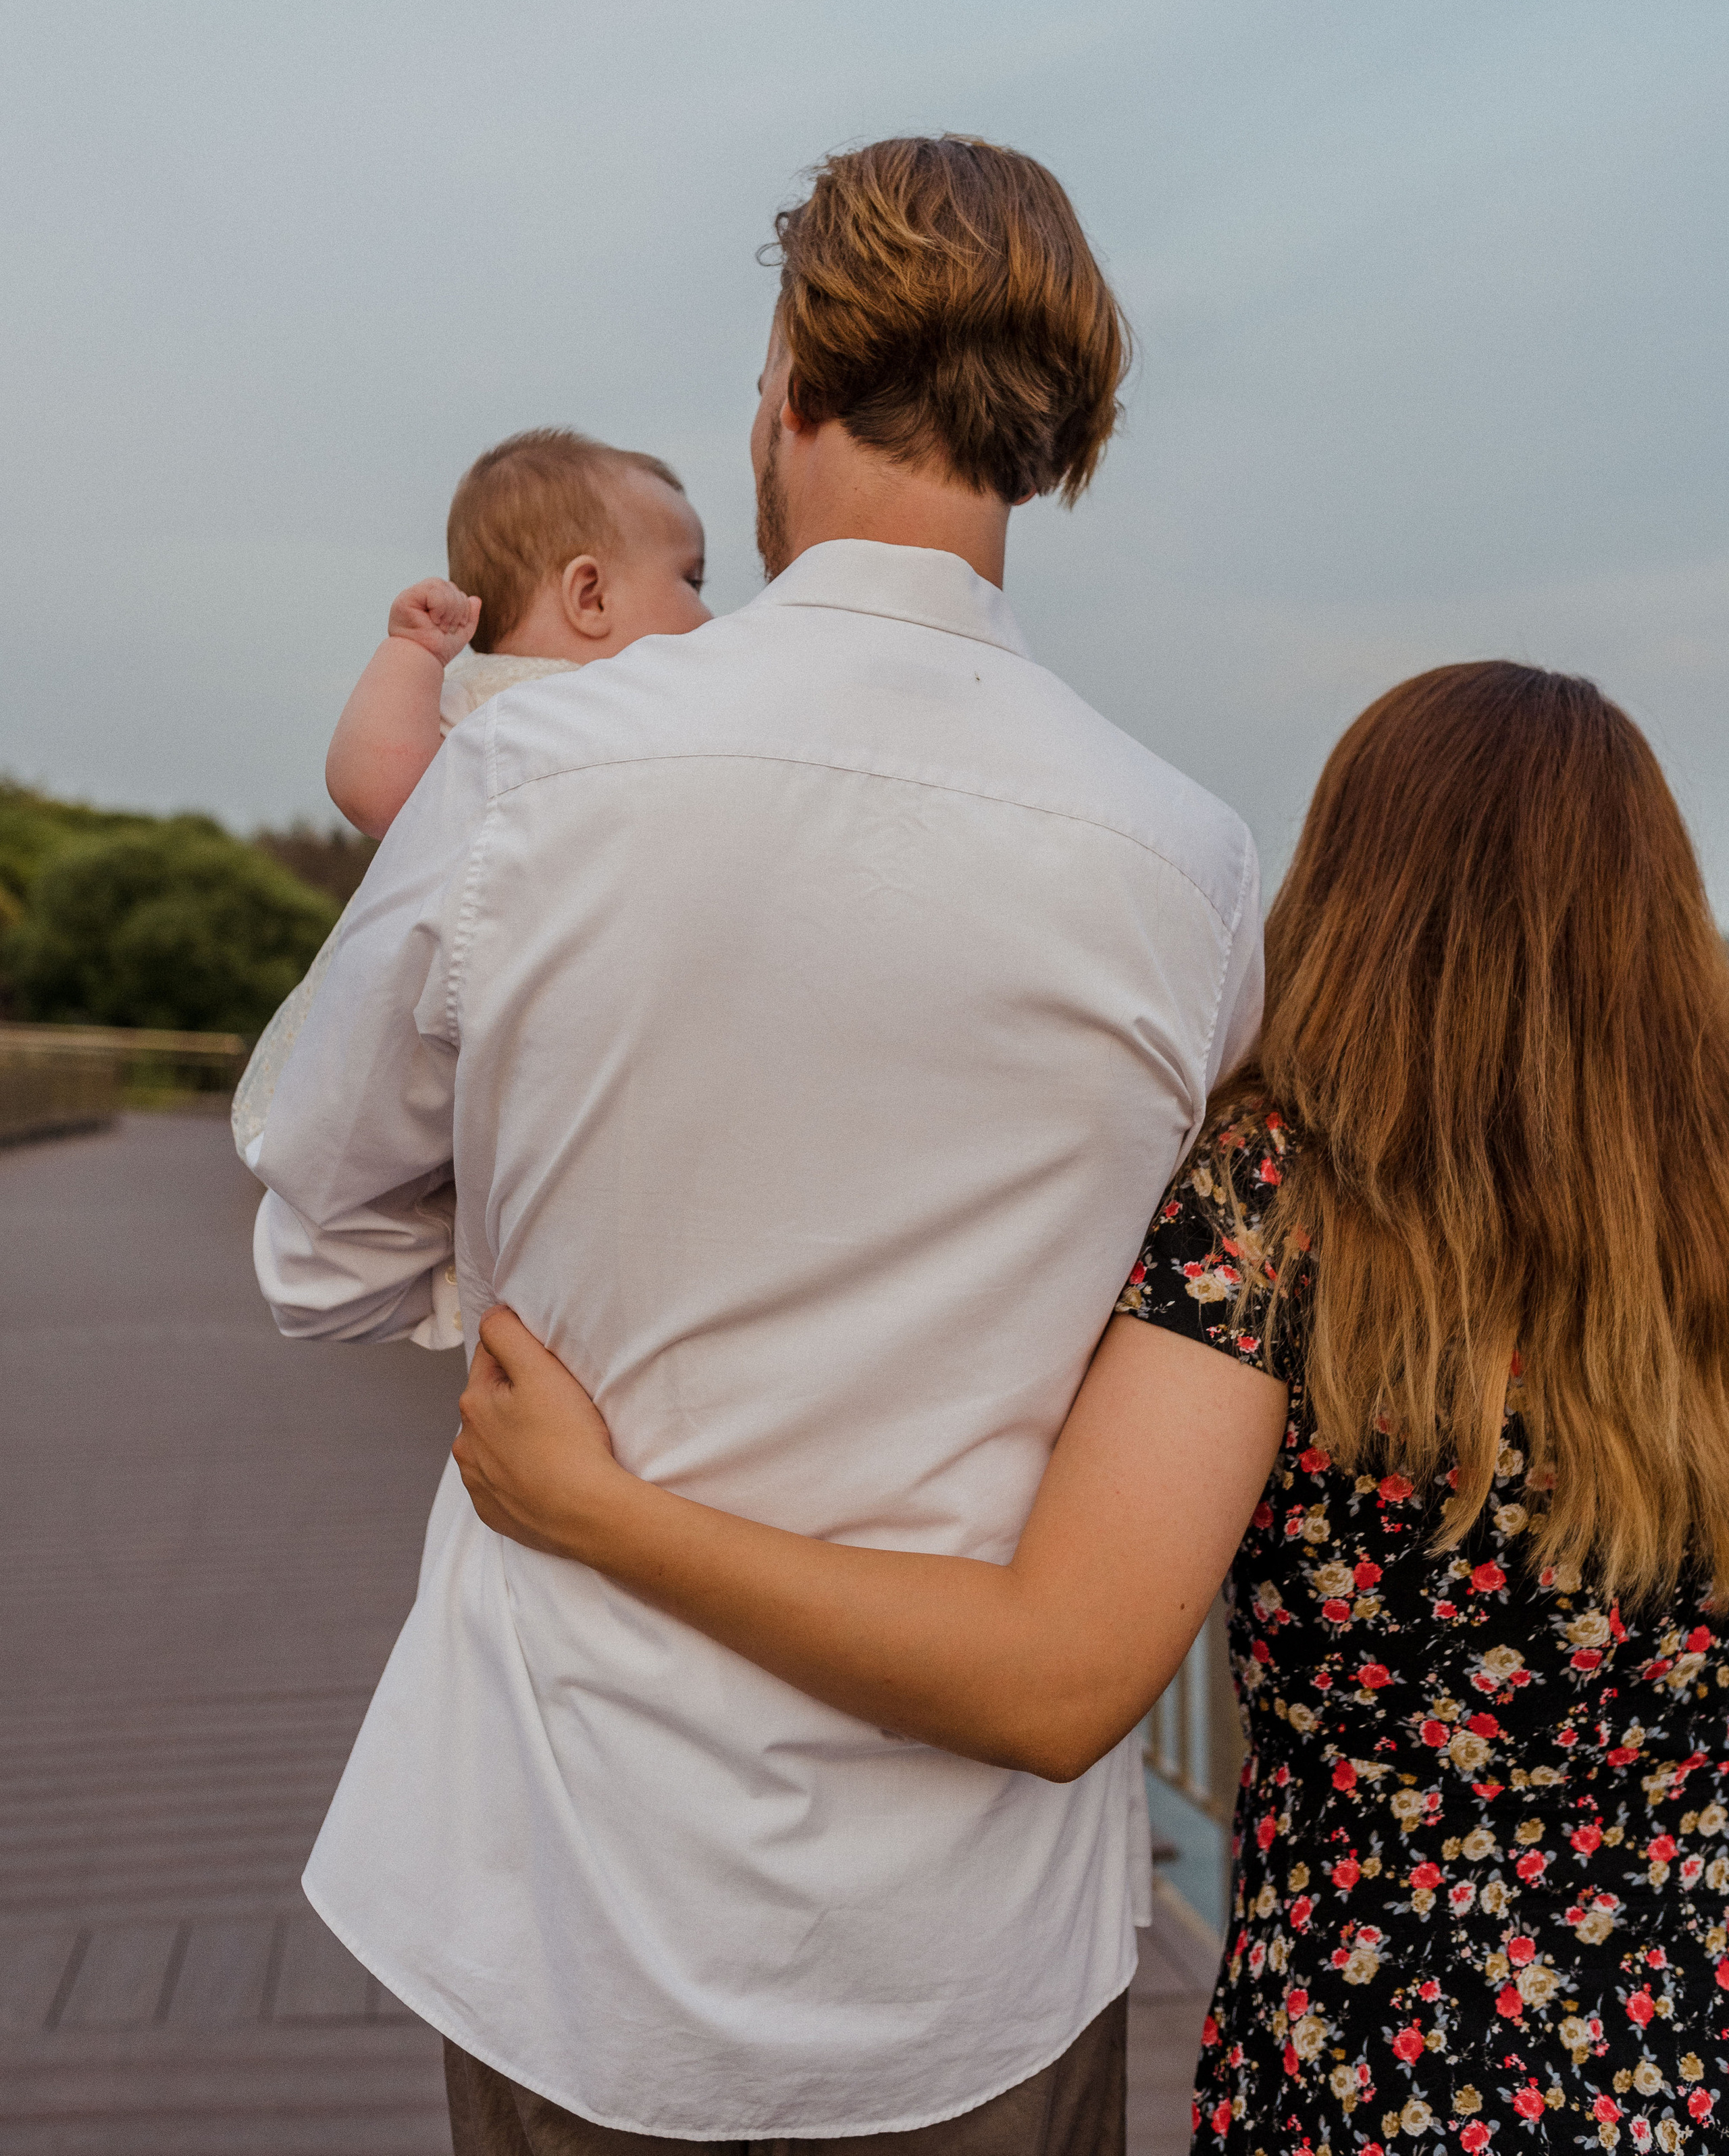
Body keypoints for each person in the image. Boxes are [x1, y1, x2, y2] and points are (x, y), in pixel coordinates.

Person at [247, 132, 1262, 2153]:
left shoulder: (531, 767)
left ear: (788, 377)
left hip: (578, 1886)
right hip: (969, 1947)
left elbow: (321, 1241)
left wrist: (540, 1241)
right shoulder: (1193, 865)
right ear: (1052, 437)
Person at [455, 661, 1729, 2151]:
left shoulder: (1280, 1210)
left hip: (1379, 2070)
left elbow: (1053, 1684)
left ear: (1356, 892)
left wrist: (600, 1512)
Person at [230, 428, 709, 1204]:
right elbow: (375, 792)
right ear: (590, 596)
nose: (710, 613)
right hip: (449, 1026)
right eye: (691, 578)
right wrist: (413, 656)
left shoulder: (661, 717)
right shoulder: (487, 700)